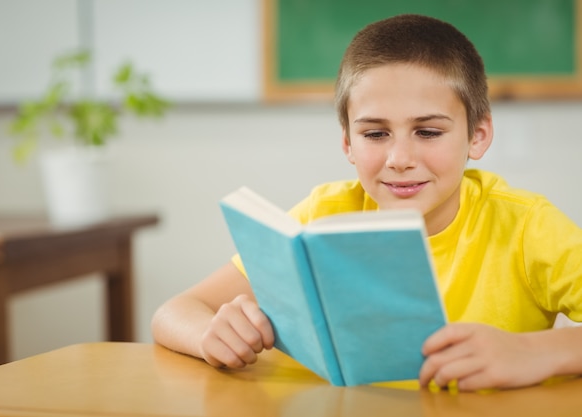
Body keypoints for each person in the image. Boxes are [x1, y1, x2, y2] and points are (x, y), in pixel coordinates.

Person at [151, 14, 582, 392]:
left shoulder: (525, 226)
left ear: (478, 135)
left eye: (428, 132)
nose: (400, 160)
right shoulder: (323, 216)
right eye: (376, 134)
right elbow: (173, 312)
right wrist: (212, 332)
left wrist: (532, 351)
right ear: (348, 143)